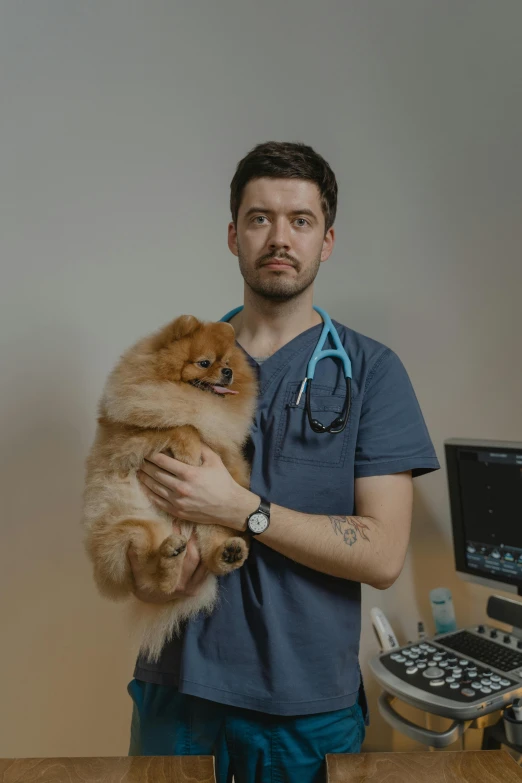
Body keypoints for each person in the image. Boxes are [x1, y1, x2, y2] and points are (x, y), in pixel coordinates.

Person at [126, 141, 440, 783]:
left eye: (300, 220)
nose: (279, 237)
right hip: (179, 693)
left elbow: (381, 556)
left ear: (326, 240)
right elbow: (131, 541)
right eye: (260, 217)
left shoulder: (372, 374)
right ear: (234, 233)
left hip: (305, 710)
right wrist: (157, 564)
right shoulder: (176, 365)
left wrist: (240, 511)